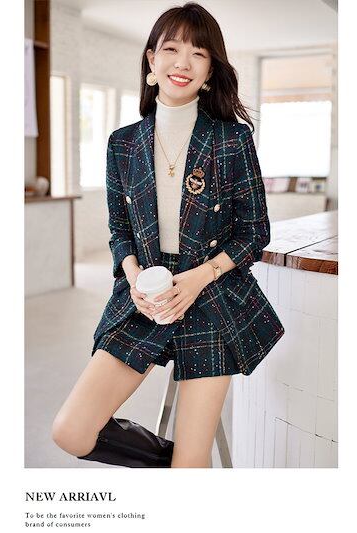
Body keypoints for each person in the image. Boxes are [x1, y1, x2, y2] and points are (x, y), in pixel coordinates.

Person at [52, 2, 284, 468]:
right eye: (172, 49)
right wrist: (134, 277)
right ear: (151, 61)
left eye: (198, 53)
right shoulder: (122, 143)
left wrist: (199, 278)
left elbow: (254, 231)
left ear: (210, 71)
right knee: (71, 431)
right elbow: (120, 230)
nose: (183, 62)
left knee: (191, 462)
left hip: (213, 297)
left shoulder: (231, 140)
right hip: (145, 295)